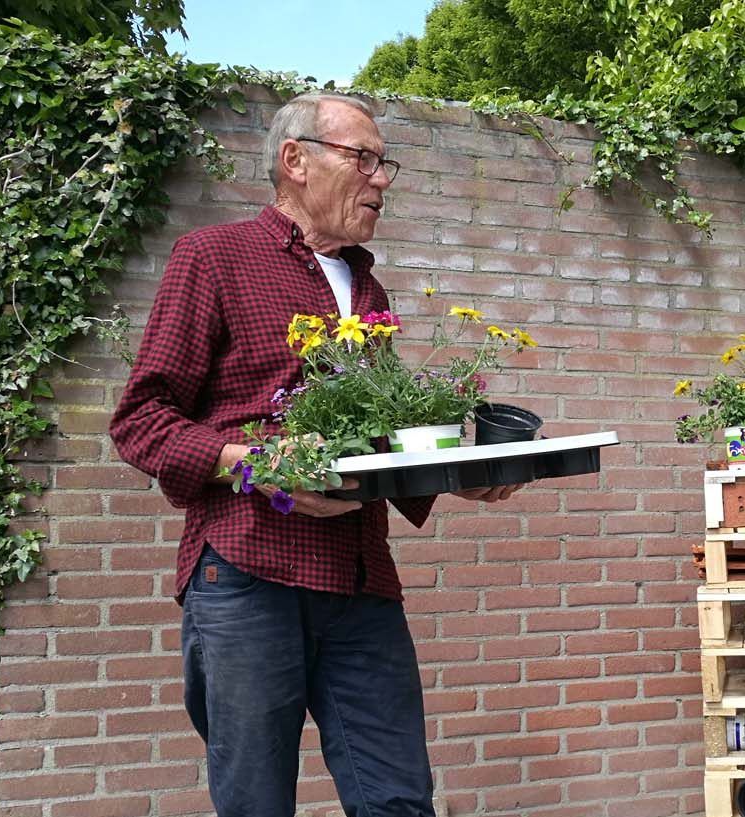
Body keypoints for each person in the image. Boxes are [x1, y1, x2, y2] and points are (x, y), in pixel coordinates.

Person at [110, 92, 514, 817]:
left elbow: (376, 439)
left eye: (383, 162)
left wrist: (459, 475)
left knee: (398, 798)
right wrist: (255, 462)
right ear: (295, 160)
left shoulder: (370, 288)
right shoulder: (214, 258)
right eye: (364, 157)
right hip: (246, 572)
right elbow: (140, 420)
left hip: (359, 580)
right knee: (257, 802)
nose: (381, 178)